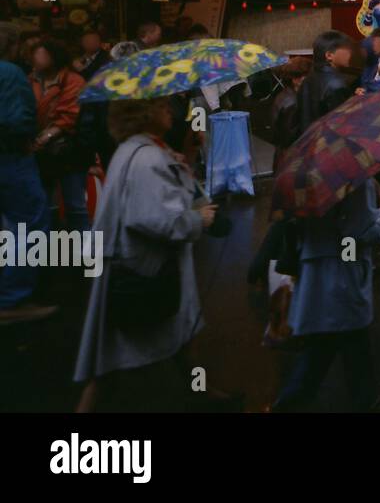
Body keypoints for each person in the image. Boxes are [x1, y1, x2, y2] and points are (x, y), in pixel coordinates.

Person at [73, 98, 220, 411]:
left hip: (136, 264)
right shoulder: (148, 158)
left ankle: (201, 392)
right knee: (111, 361)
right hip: (143, 268)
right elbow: (154, 217)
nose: (169, 110)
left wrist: (188, 154)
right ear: (143, 113)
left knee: (180, 337)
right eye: (161, 106)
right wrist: (199, 220)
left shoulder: (140, 150)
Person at [273, 179, 380, 412]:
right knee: (325, 344)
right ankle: (288, 404)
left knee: (350, 337)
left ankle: (366, 398)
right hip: (341, 272)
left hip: (315, 267)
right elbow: (361, 234)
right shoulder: (355, 181)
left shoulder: (306, 178)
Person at [0, 24, 56, 324]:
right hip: (10, 158)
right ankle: (11, 298)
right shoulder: (11, 74)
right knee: (30, 223)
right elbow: (19, 119)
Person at [29, 39, 89, 232]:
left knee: (75, 204)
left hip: (69, 148)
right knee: (45, 202)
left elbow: (70, 115)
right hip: (39, 151)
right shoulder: (31, 79)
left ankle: (84, 252)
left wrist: (45, 137)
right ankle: (51, 252)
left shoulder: (73, 80)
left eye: (41, 54)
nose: (36, 58)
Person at [296, 31, 356, 138]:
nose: (350, 53)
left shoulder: (310, 77)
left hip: (309, 139)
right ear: (329, 55)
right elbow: (341, 124)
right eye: (346, 49)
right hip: (328, 143)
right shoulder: (336, 84)